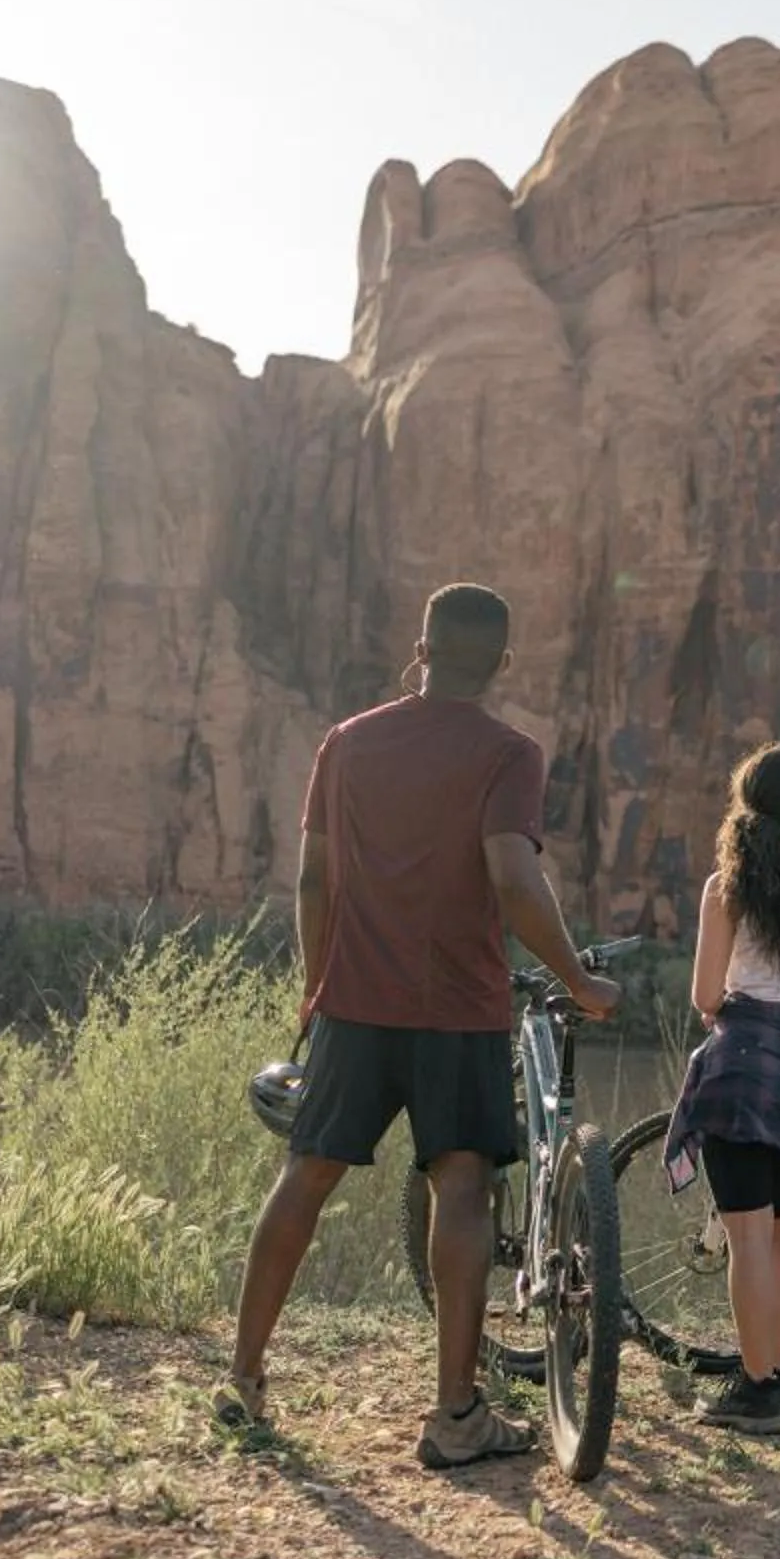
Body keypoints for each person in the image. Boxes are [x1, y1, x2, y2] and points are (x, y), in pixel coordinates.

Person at [221, 582, 620, 1469]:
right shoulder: (508, 754)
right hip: (457, 1011)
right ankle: (454, 1416)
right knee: (463, 1186)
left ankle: (243, 1376)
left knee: (305, 1176)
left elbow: (312, 880)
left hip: (354, 1003)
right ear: (502, 663)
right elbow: (513, 878)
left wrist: (316, 986)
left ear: (423, 648)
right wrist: (579, 979)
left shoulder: (347, 742)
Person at [661, 743, 780, 1434]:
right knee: (777, 1232)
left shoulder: (728, 886)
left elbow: (705, 997)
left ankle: (756, 1388)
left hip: (743, 1070)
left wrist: (728, 1008)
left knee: (745, 1239)